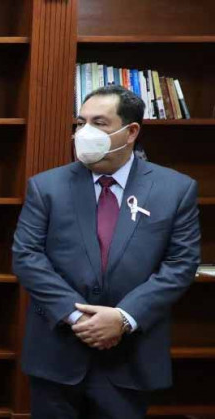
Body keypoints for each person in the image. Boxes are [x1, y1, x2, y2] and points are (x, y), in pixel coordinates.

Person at [13, 84, 200, 418]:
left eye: (99, 123)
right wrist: (77, 317)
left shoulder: (176, 189)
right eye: (81, 122)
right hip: (58, 354)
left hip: (131, 357)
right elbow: (27, 257)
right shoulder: (46, 187)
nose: (85, 132)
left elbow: (180, 264)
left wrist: (123, 318)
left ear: (130, 132)